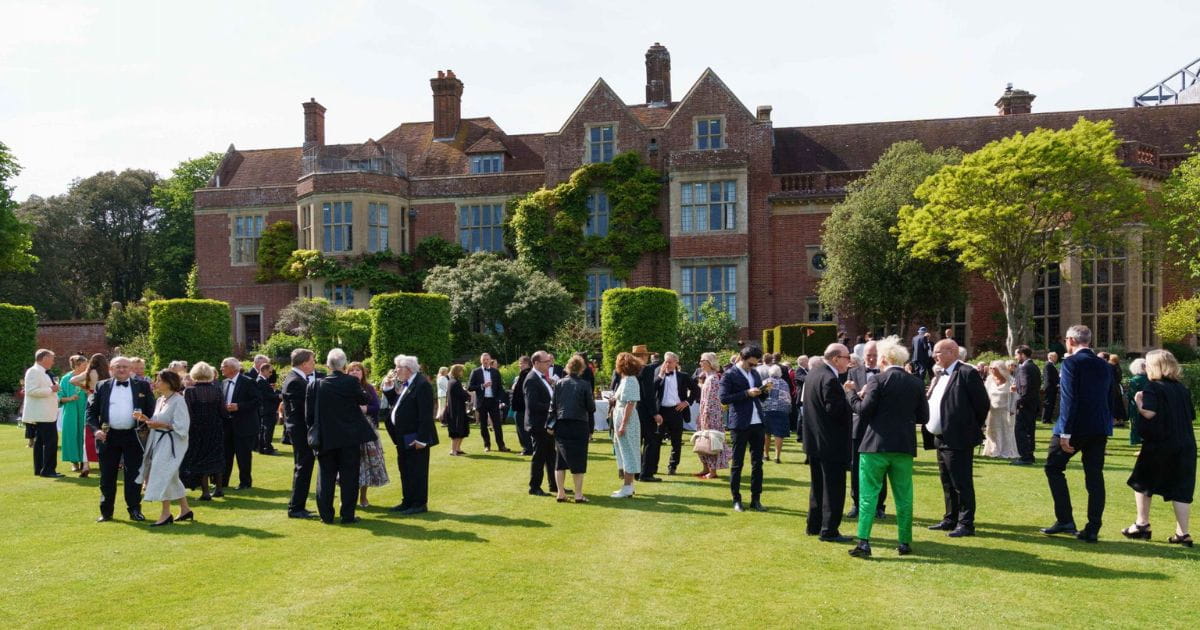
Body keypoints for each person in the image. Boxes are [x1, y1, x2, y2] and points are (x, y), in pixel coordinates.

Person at [845, 335, 927, 558]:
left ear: (883, 358)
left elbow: (864, 410)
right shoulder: (916, 383)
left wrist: (851, 394)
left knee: (868, 495)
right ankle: (904, 541)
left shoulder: (878, 381)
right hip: (903, 445)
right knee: (904, 495)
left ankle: (864, 542)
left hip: (875, 445)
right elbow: (924, 416)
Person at [1041, 324, 1113, 543]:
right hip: (1098, 427)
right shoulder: (1104, 365)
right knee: (1094, 476)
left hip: (1075, 427)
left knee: (1053, 467)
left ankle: (1065, 519)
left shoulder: (1071, 363)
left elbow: (1069, 399)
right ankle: (1092, 527)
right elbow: (1107, 397)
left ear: (1070, 340)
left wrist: (1065, 432)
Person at [1125, 349, 1196, 547]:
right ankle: (1183, 533)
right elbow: (1190, 415)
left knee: (1142, 482)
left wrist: (1139, 403)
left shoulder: (1153, 388)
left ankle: (1142, 524)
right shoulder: (1181, 389)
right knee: (1182, 488)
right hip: (1185, 443)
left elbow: (1149, 413)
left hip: (1160, 444)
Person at [923, 339, 989, 538]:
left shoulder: (967, 373)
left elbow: (982, 404)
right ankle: (950, 518)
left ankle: (966, 523)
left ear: (952, 352)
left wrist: (968, 426)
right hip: (941, 437)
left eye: (938, 352)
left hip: (959, 437)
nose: (935, 355)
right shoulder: (941, 374)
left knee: (961, 482)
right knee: (947, 481)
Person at [306, 349, 374, 524]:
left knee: (325, 477)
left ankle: (326, 516)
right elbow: (364, 399)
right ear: (344, 365)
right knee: (349, 477)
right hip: (349, 438)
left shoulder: (316, 385)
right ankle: (347, 515)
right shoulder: (351, 382)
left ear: (328, 365)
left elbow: (309, 415)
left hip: (326, 438)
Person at [87, 357, 156, 522]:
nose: (122, 370)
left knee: (133, 475)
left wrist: (145, 422)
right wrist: (96, 430)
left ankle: (134, 510)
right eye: (118, 367)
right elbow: (91, 412)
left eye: (125, 367)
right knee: (107, 476)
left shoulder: (143, 386)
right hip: (108, 436)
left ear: (131, 368)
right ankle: (106, 512)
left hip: (134, 436)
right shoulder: (101, 386)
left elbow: (152, 410)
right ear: (111, 368)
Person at [802, 344, 853, 535]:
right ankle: (829, 529)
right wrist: (850, 398)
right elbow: (835, 411)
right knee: (833, 487)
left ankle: (814, 525)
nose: (849, 362)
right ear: (836, 358)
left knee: (817, 486)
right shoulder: (830, 378)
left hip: (815, 441)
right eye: (847, 358)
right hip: (831, 442)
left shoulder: (814, 373)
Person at [382, 355, 439, 515]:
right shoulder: (408, 383)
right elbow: (399, 405)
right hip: (403, 436)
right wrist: (388, 388)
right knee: (405, 469)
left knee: (417, 471)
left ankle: (419, 503)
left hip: (415, 436)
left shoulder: (422, 385)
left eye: (398, 367)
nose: (396, 370)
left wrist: (422, 439)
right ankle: (407, 501)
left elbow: (425, 415)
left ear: (408, 369)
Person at [135, 369, 192, 526]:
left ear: (168, 383)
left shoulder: (178, 400)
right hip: (158, 440)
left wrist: (161, 425)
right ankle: (185, 509)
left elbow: (182, 426)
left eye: (159, 380)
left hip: (172, 442)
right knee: (171, 476)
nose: (156, 384)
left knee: (162, 473)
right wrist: (145, 419)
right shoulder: (161, 400)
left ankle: (166, 513)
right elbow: (156, 420)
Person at [721, 345, 770, 514]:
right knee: (737, 463)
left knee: (758, 463)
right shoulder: (729, 375)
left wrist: (764, 391)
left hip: (757, 422)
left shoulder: (755, 373)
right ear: (742, 359)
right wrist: (746, 393)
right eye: (751, 364)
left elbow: (760, 397)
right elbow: (724, 398)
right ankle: (736, 499)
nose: (753, 367)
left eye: (755, 364)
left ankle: (756, 499)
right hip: (740, 423)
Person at [847, 341, 885, 519]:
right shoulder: (853, 372)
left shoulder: (886, 373)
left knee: (879, 467)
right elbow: (848, 397)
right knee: (856, 466)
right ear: (863, 357)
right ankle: (856, 503)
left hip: (879, 426)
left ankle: (879, 505)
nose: (871, 359)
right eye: (869, 355)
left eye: (875, 356)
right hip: (859, 424)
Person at [179, 362, 227, 502]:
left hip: (197, 429)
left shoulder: (190, 391)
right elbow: (223, 411)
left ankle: (205, 492)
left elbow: (187, 413)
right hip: (215, 427)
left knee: (200, 458)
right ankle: (219, 489)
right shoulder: (217, 390)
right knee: (216, 456)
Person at [550, 354, 595, 502]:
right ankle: (578, 494)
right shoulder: (585, 385)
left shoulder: (559, 384)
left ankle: (560, 493)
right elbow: (591, 407)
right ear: (581, 369)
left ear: (568, 368)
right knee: (579, 460)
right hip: (579, 424)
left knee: (560, 460)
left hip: (562, 424)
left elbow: (553, 406)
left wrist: (550, 424)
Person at [281, 349, 317, 518]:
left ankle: (297, 505)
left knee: (303, 466)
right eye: (312, 361)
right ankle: (296, 508)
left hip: (299, 429)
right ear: (304, 364)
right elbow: (303, 410)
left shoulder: (296, 378)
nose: (314, 364)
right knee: (303, 466)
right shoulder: (295, 381)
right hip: (301, 430)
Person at [348, 361, 388, 509]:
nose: (355, 372)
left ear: (363, 373)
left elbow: (377, 407)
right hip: (348, 431)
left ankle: (363, 497)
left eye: (358, 370)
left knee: (366, 464)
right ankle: (347, 498)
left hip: (367, 430)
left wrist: (365, 408)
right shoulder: (343, 387)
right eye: (352, 370)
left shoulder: (368, 388)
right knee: (348, 465)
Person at [218, 358, 261, 490]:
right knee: (226, 454)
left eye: (224, 366)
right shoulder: (223, 383)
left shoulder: (248, 382)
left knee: (243, 456)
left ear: (233, 368)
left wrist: (239, 406)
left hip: (244, 425)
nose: (221, 369)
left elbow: (257, 401)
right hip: (227, 425)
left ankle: (245, 482)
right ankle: (223, 482)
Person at [653, 351, 699, 475]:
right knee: (656, 440)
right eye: (665, 361)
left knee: (676, 441)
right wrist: (661, 375)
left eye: (670, 362)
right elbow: (652, 389)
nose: (667, 364)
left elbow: (696, 389)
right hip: (661, 411)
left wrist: (687, 402)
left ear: (676, 363)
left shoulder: (683, 376)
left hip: (676, 411)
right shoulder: (658, 374)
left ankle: (672, 466)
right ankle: (653, 467)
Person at [524, 351, 559, 496]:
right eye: (546, 361)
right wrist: (552, 407)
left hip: (547, 424)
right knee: (539, 456)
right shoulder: (532, 379)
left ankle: (554, 485)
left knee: (551, 455)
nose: (549, 363)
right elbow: (532, 404)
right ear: (536, 363)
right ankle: (534, 487)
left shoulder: (542, 377)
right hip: (538, 424)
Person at [23, 349, 62, 478]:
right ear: (44, 358)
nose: (53, 361)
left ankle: (40, 469)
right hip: (42, 414)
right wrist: (51, 389)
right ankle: (48, 470)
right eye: (51, 358)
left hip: (46, 413)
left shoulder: (44, 372)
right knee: (51, 442)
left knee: (40, 442)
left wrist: (53, 391)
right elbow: (31, 391)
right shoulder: (34, 371)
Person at [610, 352, 644, 498]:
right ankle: (629, 485)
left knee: (628, 452)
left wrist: (623, 424)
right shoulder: (626, 380)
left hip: (627, 419)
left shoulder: (630, 380)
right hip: (621, 416)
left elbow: (630, 404)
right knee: (623, 451)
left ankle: (627, 487)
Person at [693, 352, 731, 479]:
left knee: (712, 442)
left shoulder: (713, 379)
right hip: (704, 414)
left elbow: (711, 401)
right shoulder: (707, 377)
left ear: (709, 363)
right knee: (702, 441)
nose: (700, 363)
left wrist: (706, 416)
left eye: (702, 360)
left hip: (711, 415)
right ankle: (705, 467)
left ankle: (712, 471)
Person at [71, 353, 110, 467]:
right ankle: (105, 461)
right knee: (105, 429)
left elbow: (72, 380)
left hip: (92, 398)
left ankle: (86, 464)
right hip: (105, 401)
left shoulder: (89, 372)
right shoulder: (108, 373)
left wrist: (86, 388)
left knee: (89, 429)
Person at [632, 345, 663, 481]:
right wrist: (654, 413)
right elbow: (648, 393)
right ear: (643, 356)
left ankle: (636, 471)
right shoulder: (646, 369)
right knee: (650, 441)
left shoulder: (630, 370)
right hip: (644, 410)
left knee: (637, 441)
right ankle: (646, 473)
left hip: (634, 409)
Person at [468, 353, 511, 453]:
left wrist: (499, 399)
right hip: (482, 401)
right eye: (484, 360)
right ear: (481, 361)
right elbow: (470, 386)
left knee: (497, 424)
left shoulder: (495, 372)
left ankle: (501, 446)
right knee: (483, 425)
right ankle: (487, 445)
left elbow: (500, 387)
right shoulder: (476, 372)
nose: (486, 361)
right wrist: (482, 386)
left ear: (490, 360)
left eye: (487, 359)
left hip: (493, 401)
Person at [58, 355, 89, 476]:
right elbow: (59, 397)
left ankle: (85, 461)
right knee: (71, 434)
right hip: (70, 410)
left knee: (84, 434)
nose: (86, 367)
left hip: (84, 409)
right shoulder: (66, 379)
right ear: (76, 366)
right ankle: (74, 462)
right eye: (84, 365)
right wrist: (70, 398)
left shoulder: (87, 377)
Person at [982, 360, 1019, 460]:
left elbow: (1015, 396)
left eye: (994, 368)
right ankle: (993, 450)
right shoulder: (989, 380)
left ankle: (1006, 450)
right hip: (992, 411)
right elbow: (984, 394)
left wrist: (1012, 408)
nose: (992, 370)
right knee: (992, 431)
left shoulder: (1010, 380)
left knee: (1006, 430)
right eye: (990, 368)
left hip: (1006, 411)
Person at [1012, 345, 1041, 465]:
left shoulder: (1025, 368)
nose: (1015, 357)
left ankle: (1025, 457)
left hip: (1025, 405)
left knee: (1021, 431)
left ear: (1022, 354)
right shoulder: (1033, 366)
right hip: (1032, 404)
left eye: (1016, 354)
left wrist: (1019, 402)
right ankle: (1029, 455)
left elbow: (1026, 387)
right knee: (1029, 430)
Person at [761, 364, 791, 463]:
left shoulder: (767, 382)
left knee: (767, 433)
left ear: (770, 372)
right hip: (782, 410)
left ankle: (766, 455)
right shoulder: (784, 383)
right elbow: (788, 398)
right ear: (780, 373)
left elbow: (761, 396)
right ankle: (777, 457)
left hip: (767, 409)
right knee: (779, 434)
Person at [442, 364, 470, 455]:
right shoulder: (455, 382)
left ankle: (458, 448)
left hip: (457, 408)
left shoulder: (452, 381)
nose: (462, 372)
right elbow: (462, 395)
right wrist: (467, 393)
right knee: (457, 430)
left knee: (462, 429)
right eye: (461, 370)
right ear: (457, 371)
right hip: (456, 410)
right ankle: (453, 450)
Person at [254, 362, 281, 455]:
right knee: (267, 429)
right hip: (267, 409)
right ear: (264, 370)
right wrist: (279, 396)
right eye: (270, 372)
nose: (271, 374)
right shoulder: (260, 381)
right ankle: (267, 448)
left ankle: (263, 447)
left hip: (267, 409)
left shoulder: (263, 380)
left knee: (265, 429)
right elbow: (266, 396)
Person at [510, 356, 534, 455]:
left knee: (522, 428)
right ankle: (528, 448)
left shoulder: (526, 374)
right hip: (523, 406)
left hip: (522, 406)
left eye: (522, 363)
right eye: (519, 363)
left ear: (528, 364)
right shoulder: (526, 374)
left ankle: (527, 449)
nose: (520, 365)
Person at [1127, 358, 1149, 447]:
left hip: (1136, 404)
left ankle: (1136, 439)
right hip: (1148, 404)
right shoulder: (1150, 379)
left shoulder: (1134, 380)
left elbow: (1131, 394)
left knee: (1135, 422)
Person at [1042, 352, 1060, 425]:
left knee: (1051, 404)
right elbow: (1049, 377)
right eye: (1055, 356)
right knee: (1048, 403)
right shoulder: (1048, 365)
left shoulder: (1051, 365)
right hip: (1050, 388)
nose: (1056, 358)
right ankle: (1045, 419)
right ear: (1050, 357)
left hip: (1052, 387)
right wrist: (1056, 384)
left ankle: (1048, 419)